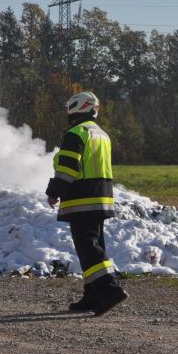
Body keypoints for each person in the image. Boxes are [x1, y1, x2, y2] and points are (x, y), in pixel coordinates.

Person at [46, 91, 128, 316]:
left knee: (88, 247)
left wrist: (54, 192)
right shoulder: (101, 134)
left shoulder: (76, 133)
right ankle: (93, 294)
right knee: (94, 245)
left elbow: (68, 167)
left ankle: (110, 290)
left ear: (77, 107)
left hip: (82, 198)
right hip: (101, 197)